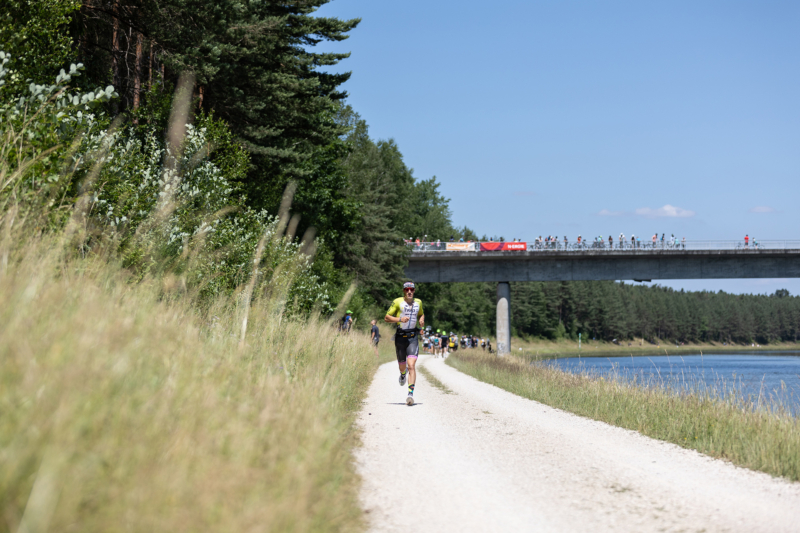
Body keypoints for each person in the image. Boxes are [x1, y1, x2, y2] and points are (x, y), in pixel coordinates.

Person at [385, 281, 425, 406]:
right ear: (403, 291)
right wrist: (399, 319)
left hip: (413, 337)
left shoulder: (418, 302)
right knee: (403, 366)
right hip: (400, 337)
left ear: (414, 291)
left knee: (411, 365)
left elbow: (421, 313)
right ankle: (403, 374)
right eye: (407, 289)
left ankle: (410, 394)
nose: (409, 291)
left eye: (411, 290)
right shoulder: (397, 302)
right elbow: (386, 317)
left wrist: (421, 319)